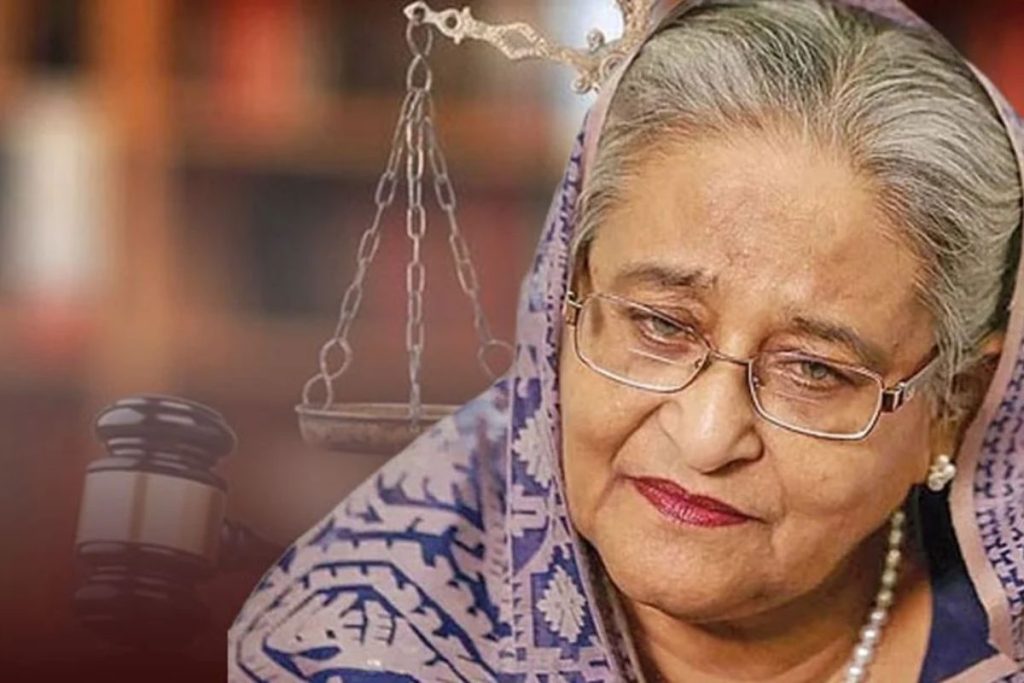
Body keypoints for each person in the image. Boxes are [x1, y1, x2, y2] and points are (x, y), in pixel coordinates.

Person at [228, 0, 1024, 680]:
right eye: (661, 324)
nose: (707, 436)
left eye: (813, 369)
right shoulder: (354, 641)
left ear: (953, 404)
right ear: (565, 300)